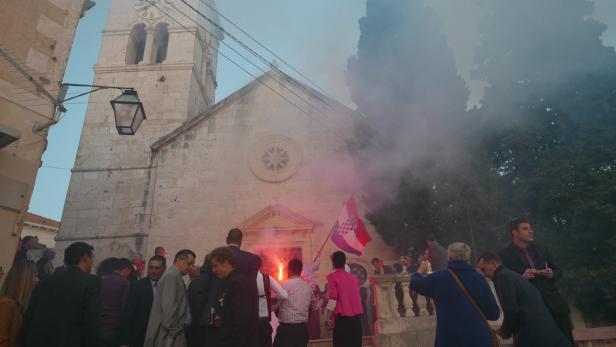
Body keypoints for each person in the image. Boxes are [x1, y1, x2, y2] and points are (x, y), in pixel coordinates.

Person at [410, 242, 500, 347]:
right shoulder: (479, 279)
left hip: (450, 340)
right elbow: (494, 314)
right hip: (479, 339)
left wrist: (419, 271)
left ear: (450, 256)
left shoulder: (440, 278)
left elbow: (415, 284)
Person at [498, 218, 574, 343]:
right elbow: (506, 283)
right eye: (525, 229)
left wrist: (552, 273)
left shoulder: (541, 247)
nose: (531, 231)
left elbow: (558, 270)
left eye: (530, 228)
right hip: (531, 312)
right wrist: (521, 278)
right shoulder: (504, 255)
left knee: (566, 342)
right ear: (515, 233)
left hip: (554, 306)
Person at [478, 253, 572, 347]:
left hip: (532, 335)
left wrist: (505, 331)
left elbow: (511, 309)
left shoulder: (502, 277)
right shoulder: (512, 275)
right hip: (545, 332)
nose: (483, 274)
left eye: (483, 269)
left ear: (494, 264)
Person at [22, 242, 101, 347]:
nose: (92, 262)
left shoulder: (45, 280)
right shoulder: (92, 282)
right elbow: (91, 321)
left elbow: (30, 314)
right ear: (85, 257)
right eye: (92, 258)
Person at [144, 249, 195, 347]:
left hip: (171, 333)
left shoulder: (175, 276)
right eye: (189, 263)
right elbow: (169, 309)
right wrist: (176, 331)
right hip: (169, 336)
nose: (191, 267)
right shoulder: (171, 276)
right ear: (179, 260)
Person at [210, 246, 253, 347]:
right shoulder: (228, 281)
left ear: (225, 263)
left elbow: (242, 319)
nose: (213, 270)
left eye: (215, 266)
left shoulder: (237, 282)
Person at [120, 255, 166, 347]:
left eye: (157, 268)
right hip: (139, 338)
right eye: (151, 267)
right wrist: (124, 341)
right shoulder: (138, 286)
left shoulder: (168, 286)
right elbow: (128, 313)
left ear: (164, 269)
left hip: (161, 337)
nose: (153, 271)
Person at [325, 251, 363, 347]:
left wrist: (327, 318)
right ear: (345, 261)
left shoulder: (332, 277)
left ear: (333, 263)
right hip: (357, 322)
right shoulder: (355, 278)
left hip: (343, 322)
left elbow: (333, 300)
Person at [273, 258, 314, 347]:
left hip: (287, 330)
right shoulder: (308, 287)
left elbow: (275, 306)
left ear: (289, 270)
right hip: (302, 330)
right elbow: (312, 307)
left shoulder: (284, 285)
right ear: (300, 270)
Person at [0, 260, 38, 347]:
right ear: (24, 279)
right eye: (35, 275)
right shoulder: (7, 305)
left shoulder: (19, 306)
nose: (37, 279)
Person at [100, 258, 132, 347]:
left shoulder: (102, 279)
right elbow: (124, 307)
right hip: (114, 328)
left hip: (98, 326)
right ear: (127, 269)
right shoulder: (125, 283)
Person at [257, 257, 288, 347]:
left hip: (249, 323)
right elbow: (284, 295)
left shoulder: (244, 279)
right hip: (263, 322)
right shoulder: (266, 278)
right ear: (260, 266)